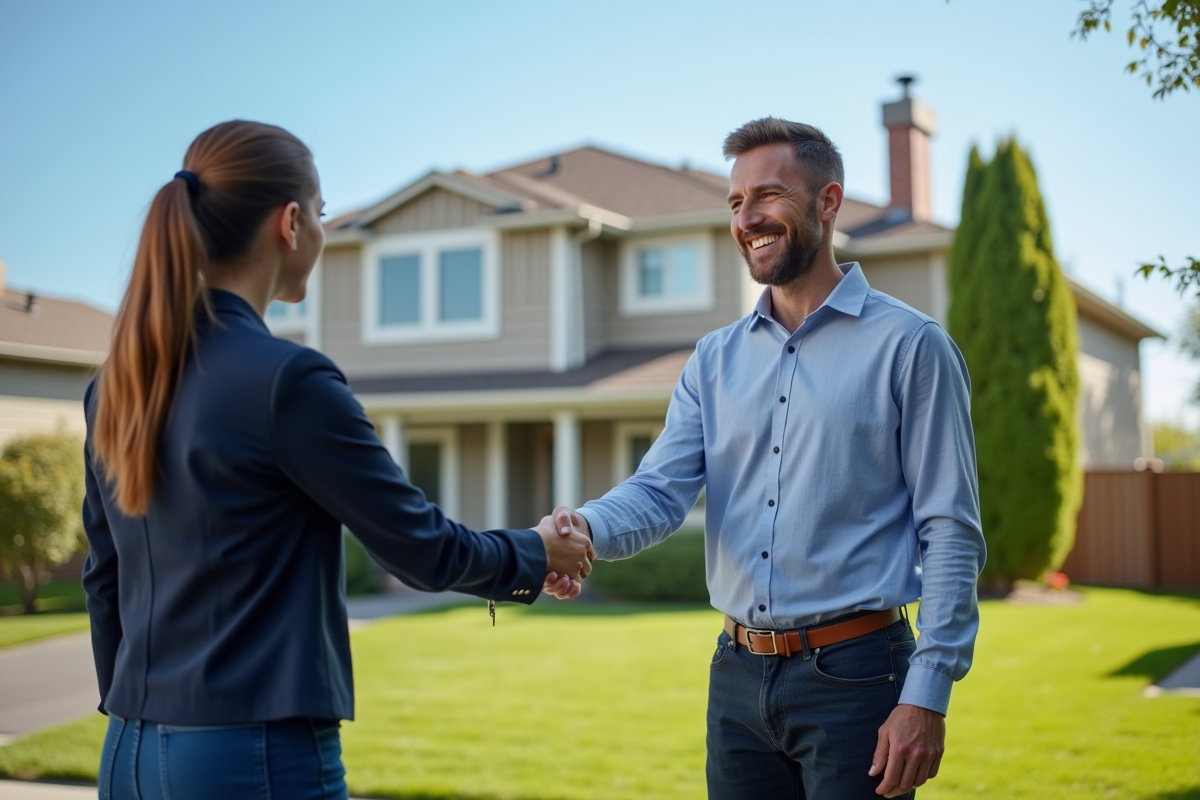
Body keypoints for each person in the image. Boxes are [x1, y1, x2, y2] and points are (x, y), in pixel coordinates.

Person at [82, 120, 593, 800]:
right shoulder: (286, 382)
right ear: (290, 224)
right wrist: (535, 551)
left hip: (128, 753)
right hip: (251, 752)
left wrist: (139, 711)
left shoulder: (115, 385)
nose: (322, 232)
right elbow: (420, 547)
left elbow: (102, 580)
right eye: (321, 215)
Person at [544, 118, 985, 799]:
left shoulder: (911, 347)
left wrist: (927, 695)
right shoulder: (714, 360)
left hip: (859, 677)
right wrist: (582, 530)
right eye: (735, 202)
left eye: (769, 195)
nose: (747, 218)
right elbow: (659, 491)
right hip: (737, 675)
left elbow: (950, 529)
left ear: (828, 202)